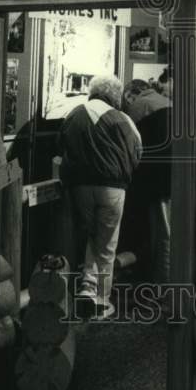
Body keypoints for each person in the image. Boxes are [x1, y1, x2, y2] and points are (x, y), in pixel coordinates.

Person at [60, 74, 142, 318]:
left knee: (87, 236)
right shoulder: (122, 118)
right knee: (107, 244)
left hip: (80, 186)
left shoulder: (74, 113)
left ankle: (86, 287)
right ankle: (101, 302)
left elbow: (60, 145)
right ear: (114, 95)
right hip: (113, 188)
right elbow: (137, 151)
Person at [123, 77, 173, 287]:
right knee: (170, 231)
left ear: (129, 95)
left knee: (160, 236)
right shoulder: (167, 102)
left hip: (155, 182)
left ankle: (161, 285)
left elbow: (129, 148)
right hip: (177, 179)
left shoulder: (138, 107)